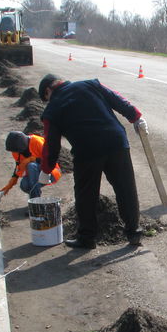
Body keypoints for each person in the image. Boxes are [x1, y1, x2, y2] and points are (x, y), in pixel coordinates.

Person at [37, 74, 148, 249]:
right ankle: (134, 232)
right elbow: (117, 99)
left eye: (46, 98)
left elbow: (51, 145)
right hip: (116, 143)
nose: (48, 102)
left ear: (48, 90)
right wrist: (135, 116)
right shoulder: (91, 84)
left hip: (87, 151)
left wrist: (46, 169)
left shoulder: (52, 110)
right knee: (125, 188)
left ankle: (87, 238)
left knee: (86, 195)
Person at [0, 131, 61, 199]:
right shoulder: (16, 150)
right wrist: (6, 188)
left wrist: (32, 159)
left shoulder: (37, 142)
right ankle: (35, 197)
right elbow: (18, 169)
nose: (16, 152)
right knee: (24, 185)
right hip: (35, 174)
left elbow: (51, 160)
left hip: (51, 172)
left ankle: (35, 200)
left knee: (31, 166)